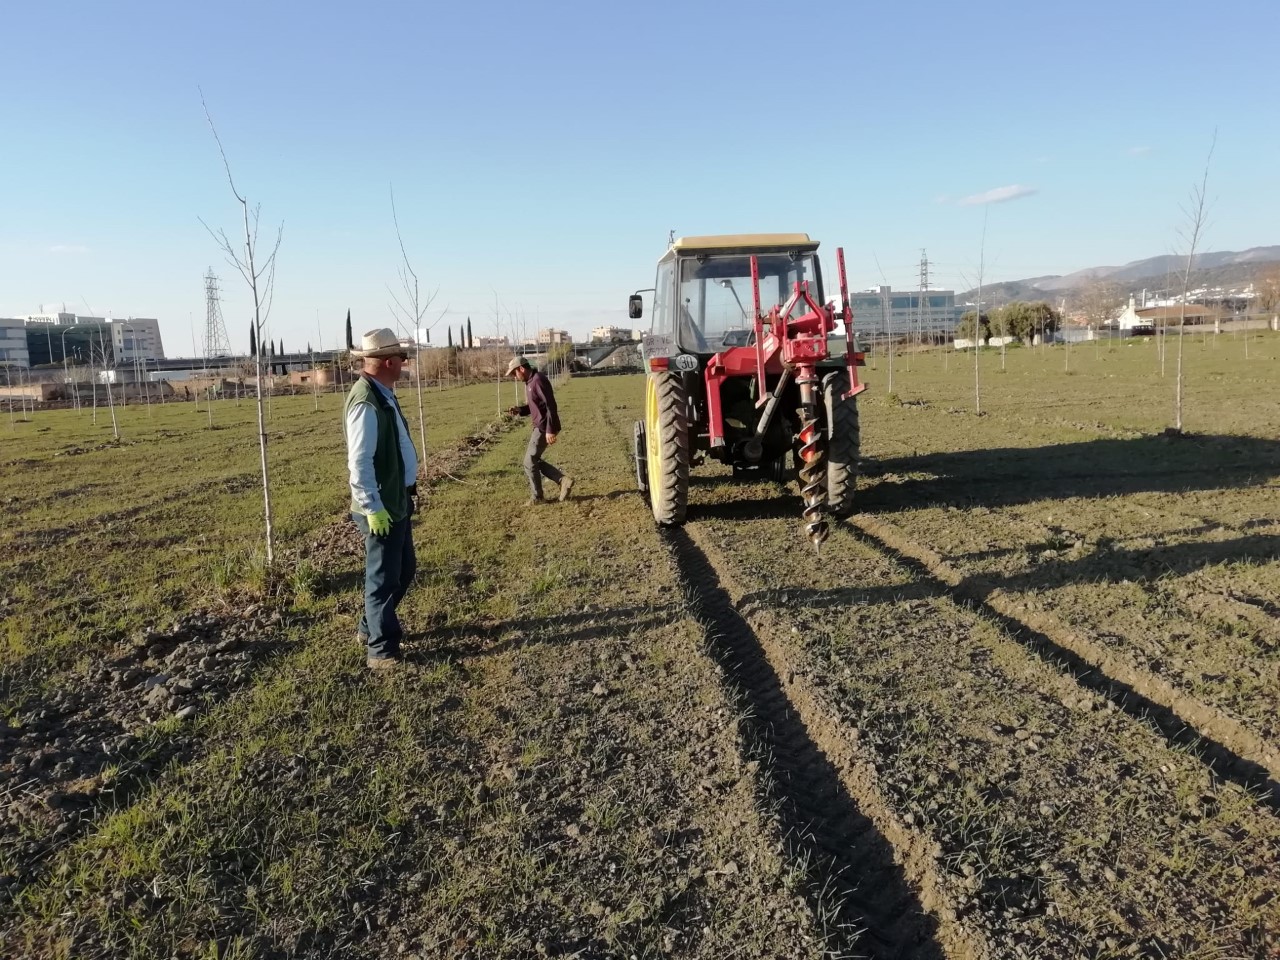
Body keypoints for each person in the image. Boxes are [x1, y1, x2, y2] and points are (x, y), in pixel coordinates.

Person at [345, 328, 419, 669]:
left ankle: (368, 626)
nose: (404, 366)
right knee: (383, 578)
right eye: (402, 360)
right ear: (389, 362)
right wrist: (372, 508)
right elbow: (359, 461)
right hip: (381, 506)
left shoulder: (383, 392)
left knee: (404, 570)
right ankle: (382, 650)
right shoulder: (365, 401)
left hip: (396, 499)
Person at [505, 356, 574, 504]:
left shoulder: (538, 381)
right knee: (532, 460)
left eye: (514, 373)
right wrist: (520, 410)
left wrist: (550, 430)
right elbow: (536, 406)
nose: (514, 377)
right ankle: (562, 480)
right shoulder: (530, 382)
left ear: (521, 369)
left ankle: (538, 498)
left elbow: (550, 405)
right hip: (541, 426)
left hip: (544, 427)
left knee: (529, 461)